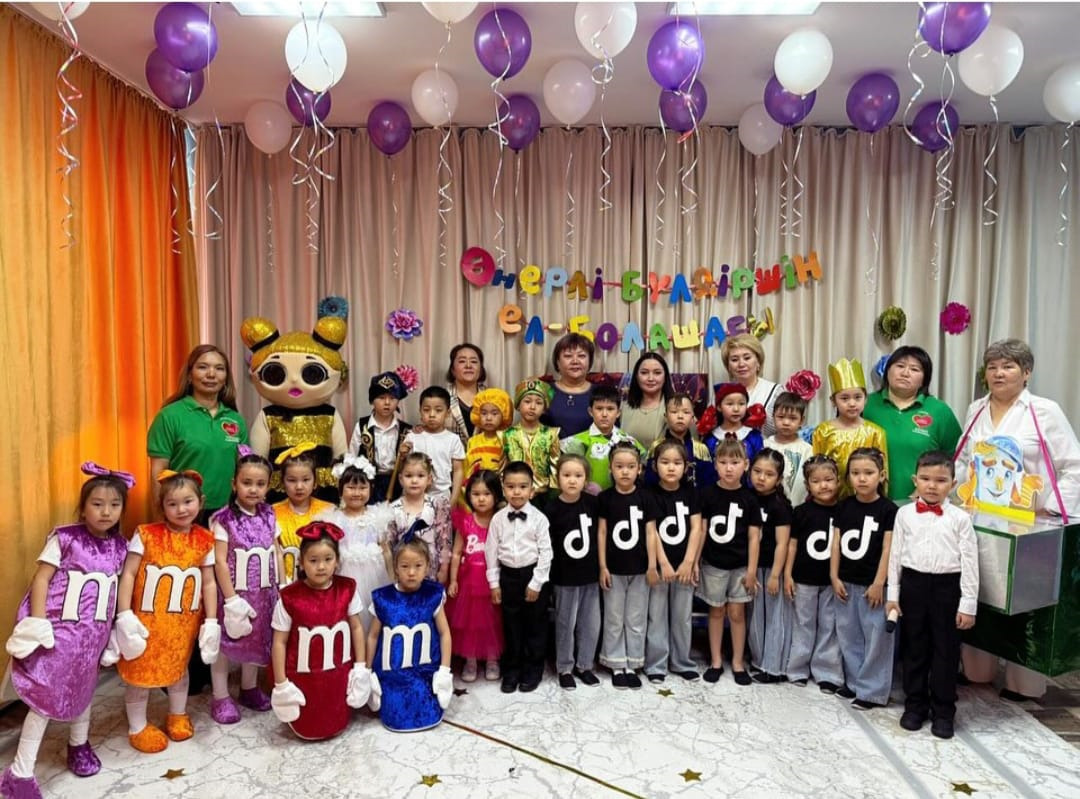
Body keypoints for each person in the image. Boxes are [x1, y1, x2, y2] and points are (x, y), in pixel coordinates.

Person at [954, 339, 1080, 700]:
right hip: (980, 519)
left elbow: (1073, 466)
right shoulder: (976, 409)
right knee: (981, 593)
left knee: (1027, 602)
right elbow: (963, 460)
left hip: (1030, 525)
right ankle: (977, 669)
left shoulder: (1044, 411)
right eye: (993, 367)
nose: (999, 373)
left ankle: (1023, 683)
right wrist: (957, 495)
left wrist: (1049, 510)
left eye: (1008, 366)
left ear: (1026, 373)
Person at [1, 464, 132, 797]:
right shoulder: (65, 538)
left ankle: (79, 745)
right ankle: (20, 771)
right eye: (97, 504)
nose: (106, 512)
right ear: (83, 507)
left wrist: (115, 630)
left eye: (114, 505)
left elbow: (118, 589)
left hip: (92, 638)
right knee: (44, 701)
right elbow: (42, 579)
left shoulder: (121, 547)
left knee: (84, 691)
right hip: (58, 636)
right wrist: (39, 622)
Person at [114, 470, 220, 753]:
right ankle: (137, 726)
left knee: (178, 669)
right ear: (161, 506)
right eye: (172, 503)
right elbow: (129, 573)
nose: (181, 509)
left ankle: (177, 714)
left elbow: (209, 582)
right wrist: (124, 614)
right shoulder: (146, 534)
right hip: (146, 622)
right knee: (140, 675)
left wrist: (211, 620)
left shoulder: (205, 539)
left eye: (188, 502)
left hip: (182, 624)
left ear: (200, 502)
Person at [887, 451, 979, 740]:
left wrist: (968, 604)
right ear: (915, 480)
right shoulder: (904, 514)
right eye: (925, 479)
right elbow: (895, 556)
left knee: (946, 652)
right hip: (913, 584)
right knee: (914, 648)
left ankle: (943, 711)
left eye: (940, 480)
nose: (932, 486)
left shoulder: (961, 518)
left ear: (953, 484)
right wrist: (893, 594)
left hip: (947, 588)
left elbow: (970, 563)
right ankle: (915, 705)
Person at [270, 522, 370, 741]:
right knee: (309, 720)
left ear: (337, 561)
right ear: (302, 562)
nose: (321, 567)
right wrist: (281, 683)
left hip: (337, 674)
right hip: (305, 677)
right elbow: (279, 642)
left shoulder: (347, 589)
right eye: (313, 560)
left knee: (335, 717)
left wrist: (360, 667)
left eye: (328, 559)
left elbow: (356, 627)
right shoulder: (290, 597)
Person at [208, 450, 278, 725]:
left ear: (268, 486)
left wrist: (282, 584)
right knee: (226, 646)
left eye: (260, 484)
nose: (253, 489)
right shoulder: (224, 519)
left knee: (256, 641)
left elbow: (275, 550)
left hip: (263, 594)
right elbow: (220, 561)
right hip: (234, 595)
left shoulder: (269, 514)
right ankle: (221, 695)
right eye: (247, 483)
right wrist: (230, 599)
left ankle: (249, 688)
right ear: (234, 483)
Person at [146, 344, 247, 522]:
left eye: (219, 368)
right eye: (203, 367)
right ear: (190, 375)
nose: (211, 374)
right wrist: (161, 521)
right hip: (182, 513)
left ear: (226, 378)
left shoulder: (235, 419)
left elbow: (243, 471)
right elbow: (158, 473)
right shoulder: (169, 416)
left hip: (227, 514)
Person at [830, 448, 897, 710]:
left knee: (876, 637)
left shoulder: (888, 510)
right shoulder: (844, 506)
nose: (861, 478)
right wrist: (834, 576)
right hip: (846, 582)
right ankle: (855, 682)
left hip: (873, 586)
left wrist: (879, 582)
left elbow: (888, 549)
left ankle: (872, 691)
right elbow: (836, 543)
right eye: (855, 473)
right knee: (849, 634)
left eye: (868, 473)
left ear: (881, 475)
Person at [367, 538, 453, 732]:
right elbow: (372, 636)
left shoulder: (433, 594)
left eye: (418, 566)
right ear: (396, 568)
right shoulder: (384, 598)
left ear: (427, 566)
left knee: (426, 710)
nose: (411, 572)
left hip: (424, 675)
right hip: (393, 677)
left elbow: (444, 633)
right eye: (405, 566)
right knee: (395, 714)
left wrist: (444, 670)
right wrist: (367, 671)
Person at [698, 439, 761, 686]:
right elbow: (701, 531)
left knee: (737, 613)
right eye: (723, 462)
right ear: (715, 464)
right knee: (716, 610)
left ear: (745, 465)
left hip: (740, 566)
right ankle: (715, 660)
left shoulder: (750, 498)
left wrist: (752, 570)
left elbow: (754, 537)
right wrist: (695, 561)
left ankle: (737, 662)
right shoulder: (707, 494)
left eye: (734, 462)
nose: (728, 468)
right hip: (713, 564)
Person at [485, 461, 553, 694]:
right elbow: (491, 551)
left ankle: (533, 669)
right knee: (511, 625)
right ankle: (512, 669)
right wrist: (494, 583)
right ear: (503, 488)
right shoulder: (498, 519)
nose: (517, 492)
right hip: (508, 577)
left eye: (523, 487)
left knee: (535, 625)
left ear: (532, 490)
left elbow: (546, 553)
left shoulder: (539, 519)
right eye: (511, 486)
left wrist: (536, 583)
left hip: (533, 575)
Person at [598, 441, 660, 690]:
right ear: (611, 469)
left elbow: (651, 533)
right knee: (614, 617)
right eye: (619, 466)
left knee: (636, 618)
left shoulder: (646, 497)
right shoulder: (605, 498)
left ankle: (633, 662)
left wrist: (652, 566)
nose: (625, 471)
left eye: (631, 466)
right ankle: (615, 663)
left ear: (639, 469)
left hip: (640, 568)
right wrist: (602, 566)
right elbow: (602, 533)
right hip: (614, 568)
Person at [863, 346, 961, 501]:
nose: (905, 373)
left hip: (920, 503)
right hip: (869, 502)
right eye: (900, 366)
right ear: (887, 370)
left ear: (924, 379)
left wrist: (928, 487)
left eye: (915, 369)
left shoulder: (939, 410)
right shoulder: (865, 404)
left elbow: (957, 457)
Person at [646, 441, 704, 683]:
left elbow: (697, 528)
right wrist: (663, 563)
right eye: (665, 462)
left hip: (684, 566)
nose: (671, 468)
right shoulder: (649, 493)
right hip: (661, 566)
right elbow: (652, 531)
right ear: (655, 466)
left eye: (677, 463)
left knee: (682, 616)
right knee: (656, 615)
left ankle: (681, 661)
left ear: (686, 467)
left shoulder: (691, 492)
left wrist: (689, 561)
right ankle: (656, 665)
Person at [785, 455, 844, 691]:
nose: (823, 485)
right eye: (816, 481)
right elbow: (792, 545)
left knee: (829, 625)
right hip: (804, 578)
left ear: (838, 481)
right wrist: (788, 574)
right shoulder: (801, 512)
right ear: (807, 485)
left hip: (831, 580)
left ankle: (827, 672)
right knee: (803, 622)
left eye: (828, 479)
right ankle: (798, 668)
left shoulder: (844, 510)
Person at [317, 455, 393, 629]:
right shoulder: (334, 519)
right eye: (351, 487)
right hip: (344, 578)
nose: (357, 493)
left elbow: (386, 550)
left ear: (371, 488)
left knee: (374, 617)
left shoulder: (378, 516)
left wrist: (392, 578)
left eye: (362, 488)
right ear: (340, 489)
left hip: (376, 578)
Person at [547, 454, 602, 690]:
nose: (572, 480)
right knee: (565, 624)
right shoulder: (552, 508)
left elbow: (600, 536)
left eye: (578, 476)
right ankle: (565, 667)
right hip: (564, 577)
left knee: (590, 623)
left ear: (586, 479)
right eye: (566, 475)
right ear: (557, 477)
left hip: (590, 575)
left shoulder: (593, 504)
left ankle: (585, 665)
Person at [446, 471, 504, 683]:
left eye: (487, 494)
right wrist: (453, 580)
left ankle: (492, 659)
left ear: (496, 495)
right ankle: (470, 661)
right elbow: (456, 553)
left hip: (493, 583)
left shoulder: (500, 521)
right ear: (468, 495)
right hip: (468, 584)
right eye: (476, 494)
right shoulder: (466, 522)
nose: (481, 499)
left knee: (492, 623)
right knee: (470, 624)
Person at [748, 449, 793, 684]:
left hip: (771, 569)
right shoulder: (747, 498)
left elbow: (782, 543)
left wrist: (776, 575)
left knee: (776, 617)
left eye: (769, 474)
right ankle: (758, 661)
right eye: (757, 471)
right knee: (756, 616)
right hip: (752, 568)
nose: (761, 478)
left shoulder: (780, 505)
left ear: (779, 478)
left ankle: (774, 667)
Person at [812, 359, 888, 497]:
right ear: (833, 401)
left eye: (858, 397)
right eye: (845, 398)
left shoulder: (875, 432)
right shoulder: (822, 431)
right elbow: (815, 469)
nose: (852, 403)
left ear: (865, 399)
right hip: (831, 500)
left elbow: (884, 472)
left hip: (866, 501)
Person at [562, 385, 646, 494]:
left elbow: (643, 464)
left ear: (618, 413)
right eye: (599, 408)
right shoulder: (577, 441)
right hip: (588, 498)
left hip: (622, 497)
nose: (604, 414)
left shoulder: (628, 441)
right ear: (590, 411)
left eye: (610, 409)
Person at [384, 453, 453, 585]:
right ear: (400, 479)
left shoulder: (437, 505)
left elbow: (445, 540)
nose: (414, 481)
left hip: (430, 569)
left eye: (420, 476)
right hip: (404, 570)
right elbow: (390, 544)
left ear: (429, 479)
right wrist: (394, 572)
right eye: (409, 476)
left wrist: (444, 569)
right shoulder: (393, 509)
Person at [272, 444, 334, 585]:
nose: (299, 486)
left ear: (315, 481)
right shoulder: (272, 513)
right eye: (292, 480)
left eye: (305, 480)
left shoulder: (328, 511)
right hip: (284, 584)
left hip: (320, 584)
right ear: (282, 482)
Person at [349, 371, 411, 502]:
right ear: (372, 400)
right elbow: (352, 456)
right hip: (367, 483)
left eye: (392, 398)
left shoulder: (406, 430)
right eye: (382, 398)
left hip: (398, 484)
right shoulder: (362, 426)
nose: (387, 402)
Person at [504, 378, 561, 511]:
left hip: (543, 497)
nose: (532, 407)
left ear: (544, 408)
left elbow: (555, 467)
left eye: (539, 403)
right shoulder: (507, 435)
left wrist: (555, 499)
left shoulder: (551, 434)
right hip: (514, 495)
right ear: (518, 405)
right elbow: (502, 468)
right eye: (527, 401)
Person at [401, 386, 465, 503]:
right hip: (414, 496)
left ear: (448, 413)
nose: (432, 415)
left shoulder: (453, 439)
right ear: (420, 411)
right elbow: (402, 467)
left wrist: (454, 500)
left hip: (442, 496)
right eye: (426, 410)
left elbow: (458, 471)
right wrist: (401, 455)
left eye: (438, 410)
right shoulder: (412, 436)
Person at [645, 393, 716, 488]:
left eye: (686, 412)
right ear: (666, 417)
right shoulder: (657, 446)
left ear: (692, 418)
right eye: (674, 412)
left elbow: (708, 485)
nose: (680, 416)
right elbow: (650, 482)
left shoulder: (700, 449)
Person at [715, 334, 781, 438]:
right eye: (734, 360)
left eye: (747, 358)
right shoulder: (720, 392)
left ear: (758, 361)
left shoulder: (775, 392)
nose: (741, 364)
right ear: (728, 367)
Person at [764, 391, 814, 506]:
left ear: (801, 421)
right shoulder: (765, 446)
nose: (786, 422)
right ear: (773, 417)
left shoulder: (808, 450)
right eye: (781, 417)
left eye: (792, 418)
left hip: (798, 507)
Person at [542, 333, 595, 437]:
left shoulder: (600, 393)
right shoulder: (544, 392)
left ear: (590, 361)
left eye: (581, 356)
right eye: (568, 356)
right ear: (557, 362)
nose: (575, 361)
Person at [700, 382, 764, 463]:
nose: (736, 409)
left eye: (741, 404)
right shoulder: (711, 438)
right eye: (730, 404)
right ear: (719, 407)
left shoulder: (753, 436)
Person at [620, 352, 675, 448]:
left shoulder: (678, 408)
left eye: (657, 373)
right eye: (644, 373)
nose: (650, 378)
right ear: (636, 376)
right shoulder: (622, 408)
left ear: (665, 376)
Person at [445, 343, 487, 449]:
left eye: (474, 361)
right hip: (450, 459)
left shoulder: (493, 398)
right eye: (462, 361)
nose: (468, 366)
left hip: (486, 458)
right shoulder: (442, 398)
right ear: (452, 370)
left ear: (481, 369)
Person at [464, 388, 512, 479]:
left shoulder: (507, 441)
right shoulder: (473, 441)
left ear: (504, 414)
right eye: (484, 413)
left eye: (494, 413)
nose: (488, 418)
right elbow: (467, 469)